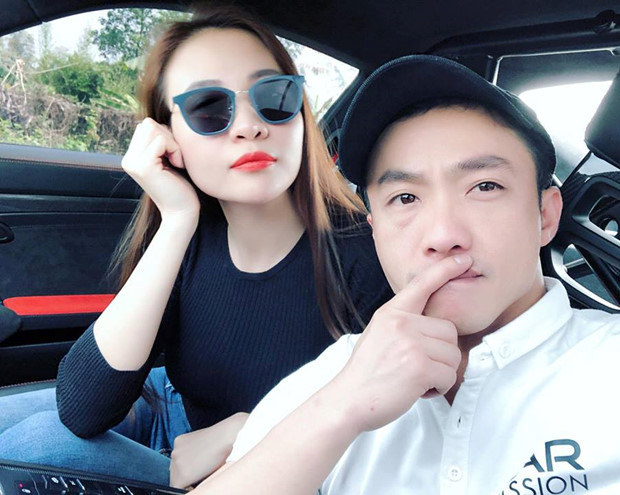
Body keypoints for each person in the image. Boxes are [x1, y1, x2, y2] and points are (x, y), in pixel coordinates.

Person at [187, 54, 620, 494]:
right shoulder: (336, 376)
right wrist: (340, 408)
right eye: (405, 198)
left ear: (545, 215)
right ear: (375, 231)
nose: (443, 235)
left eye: (485, 186)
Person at [0, 5, 392, 488]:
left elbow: (394, 433)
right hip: (170, 408)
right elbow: (84, 408)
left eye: (273, 95)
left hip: (259, 468)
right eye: (209, 107)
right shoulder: (188, 235)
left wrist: (253, 431)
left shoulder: (367, 252)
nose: (249, 125)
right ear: (168, 137)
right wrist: (177, 220)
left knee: (33, 446)